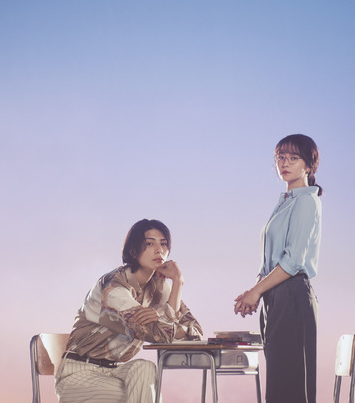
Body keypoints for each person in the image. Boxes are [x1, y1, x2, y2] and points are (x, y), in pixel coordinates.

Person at [55, 219, 203, 403]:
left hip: (114, 371)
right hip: (77, 374)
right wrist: (168, 320)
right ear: (133, 249)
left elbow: (195, 332)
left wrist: (177, 282)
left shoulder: (160, 287)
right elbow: (161, 335)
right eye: (150, 244)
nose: (159, 250)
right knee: (141, 395)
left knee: (145, 369)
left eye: (163, 244)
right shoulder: (113, 287)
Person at [234, 134, 323, 403]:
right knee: (279, 381)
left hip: (292, 294)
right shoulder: (286, 200)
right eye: (280, 157)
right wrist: (256, 291)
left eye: (293, 158)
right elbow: (271, 261)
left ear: (309, 166)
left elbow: (293, 261)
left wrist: (255, 291)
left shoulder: (306, 201)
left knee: (288, 384)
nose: (284, 163)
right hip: (276, 295)